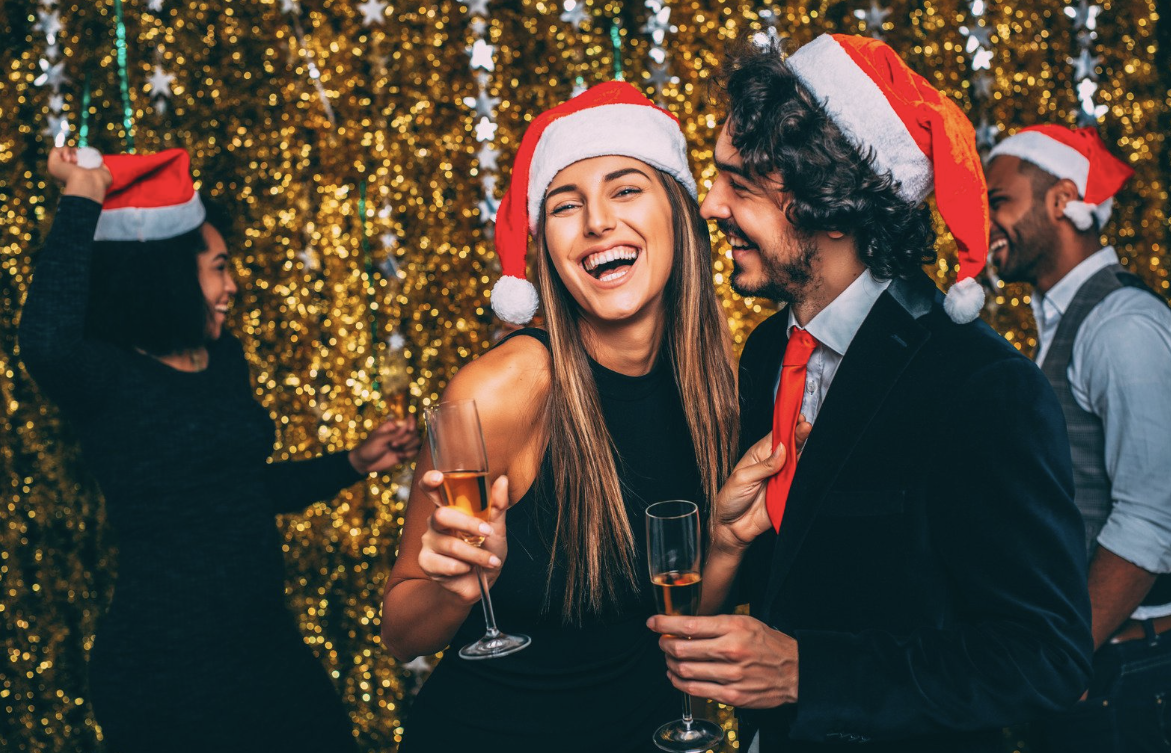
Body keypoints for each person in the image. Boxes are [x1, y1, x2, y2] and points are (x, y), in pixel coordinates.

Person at [646, 34, 1094, 752]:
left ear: (827, 198)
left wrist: (809, 672)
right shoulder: (768, 352)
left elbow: (1045, 656)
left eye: (739, 182)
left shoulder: (978, 387)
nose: (708, 204)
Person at [19, 146, 420, 753]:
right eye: (220, 268)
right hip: (167, 666)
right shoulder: (107, 378)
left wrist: (354, 463)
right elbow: (46, 342)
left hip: (261, 643)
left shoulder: (219, 357)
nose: (233, 286)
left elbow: (242, 492)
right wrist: (83, 192)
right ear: (172, 273)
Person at [381, 81, 739, 752]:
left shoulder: (717, 385)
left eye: (625, 188)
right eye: (565, 205)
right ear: (546, 245)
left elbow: (681, 616)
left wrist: (729, 545)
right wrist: (458, 591)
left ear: (678, 214)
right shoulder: (505, 386)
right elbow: (401, 634)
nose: (598, 222)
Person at [985, 125, 1171, 753]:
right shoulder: (1067, 321)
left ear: (1062, 199)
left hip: (1125, 672)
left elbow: (1151, 518)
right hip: (1089, 665)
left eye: (999, 201)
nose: (988, 225)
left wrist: (1058, 656)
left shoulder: (1122, 326)